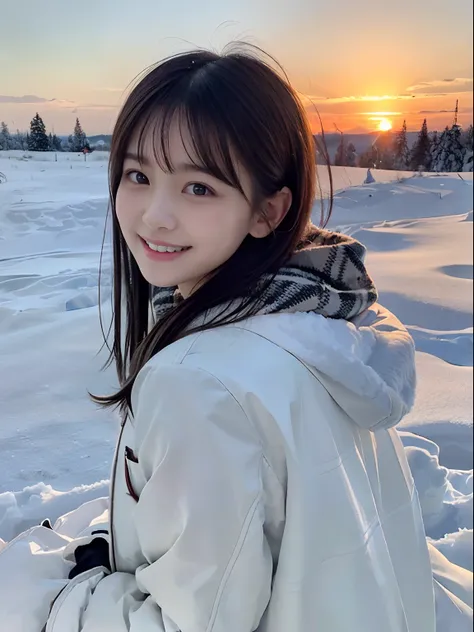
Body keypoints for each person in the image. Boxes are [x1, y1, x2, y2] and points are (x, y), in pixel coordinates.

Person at [0, 45, 451, 631]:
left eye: (199, 188)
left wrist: (45, 596)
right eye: (138, 175)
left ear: (268, 210)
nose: (154, 216)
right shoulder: (330, 326)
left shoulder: (201, 382)